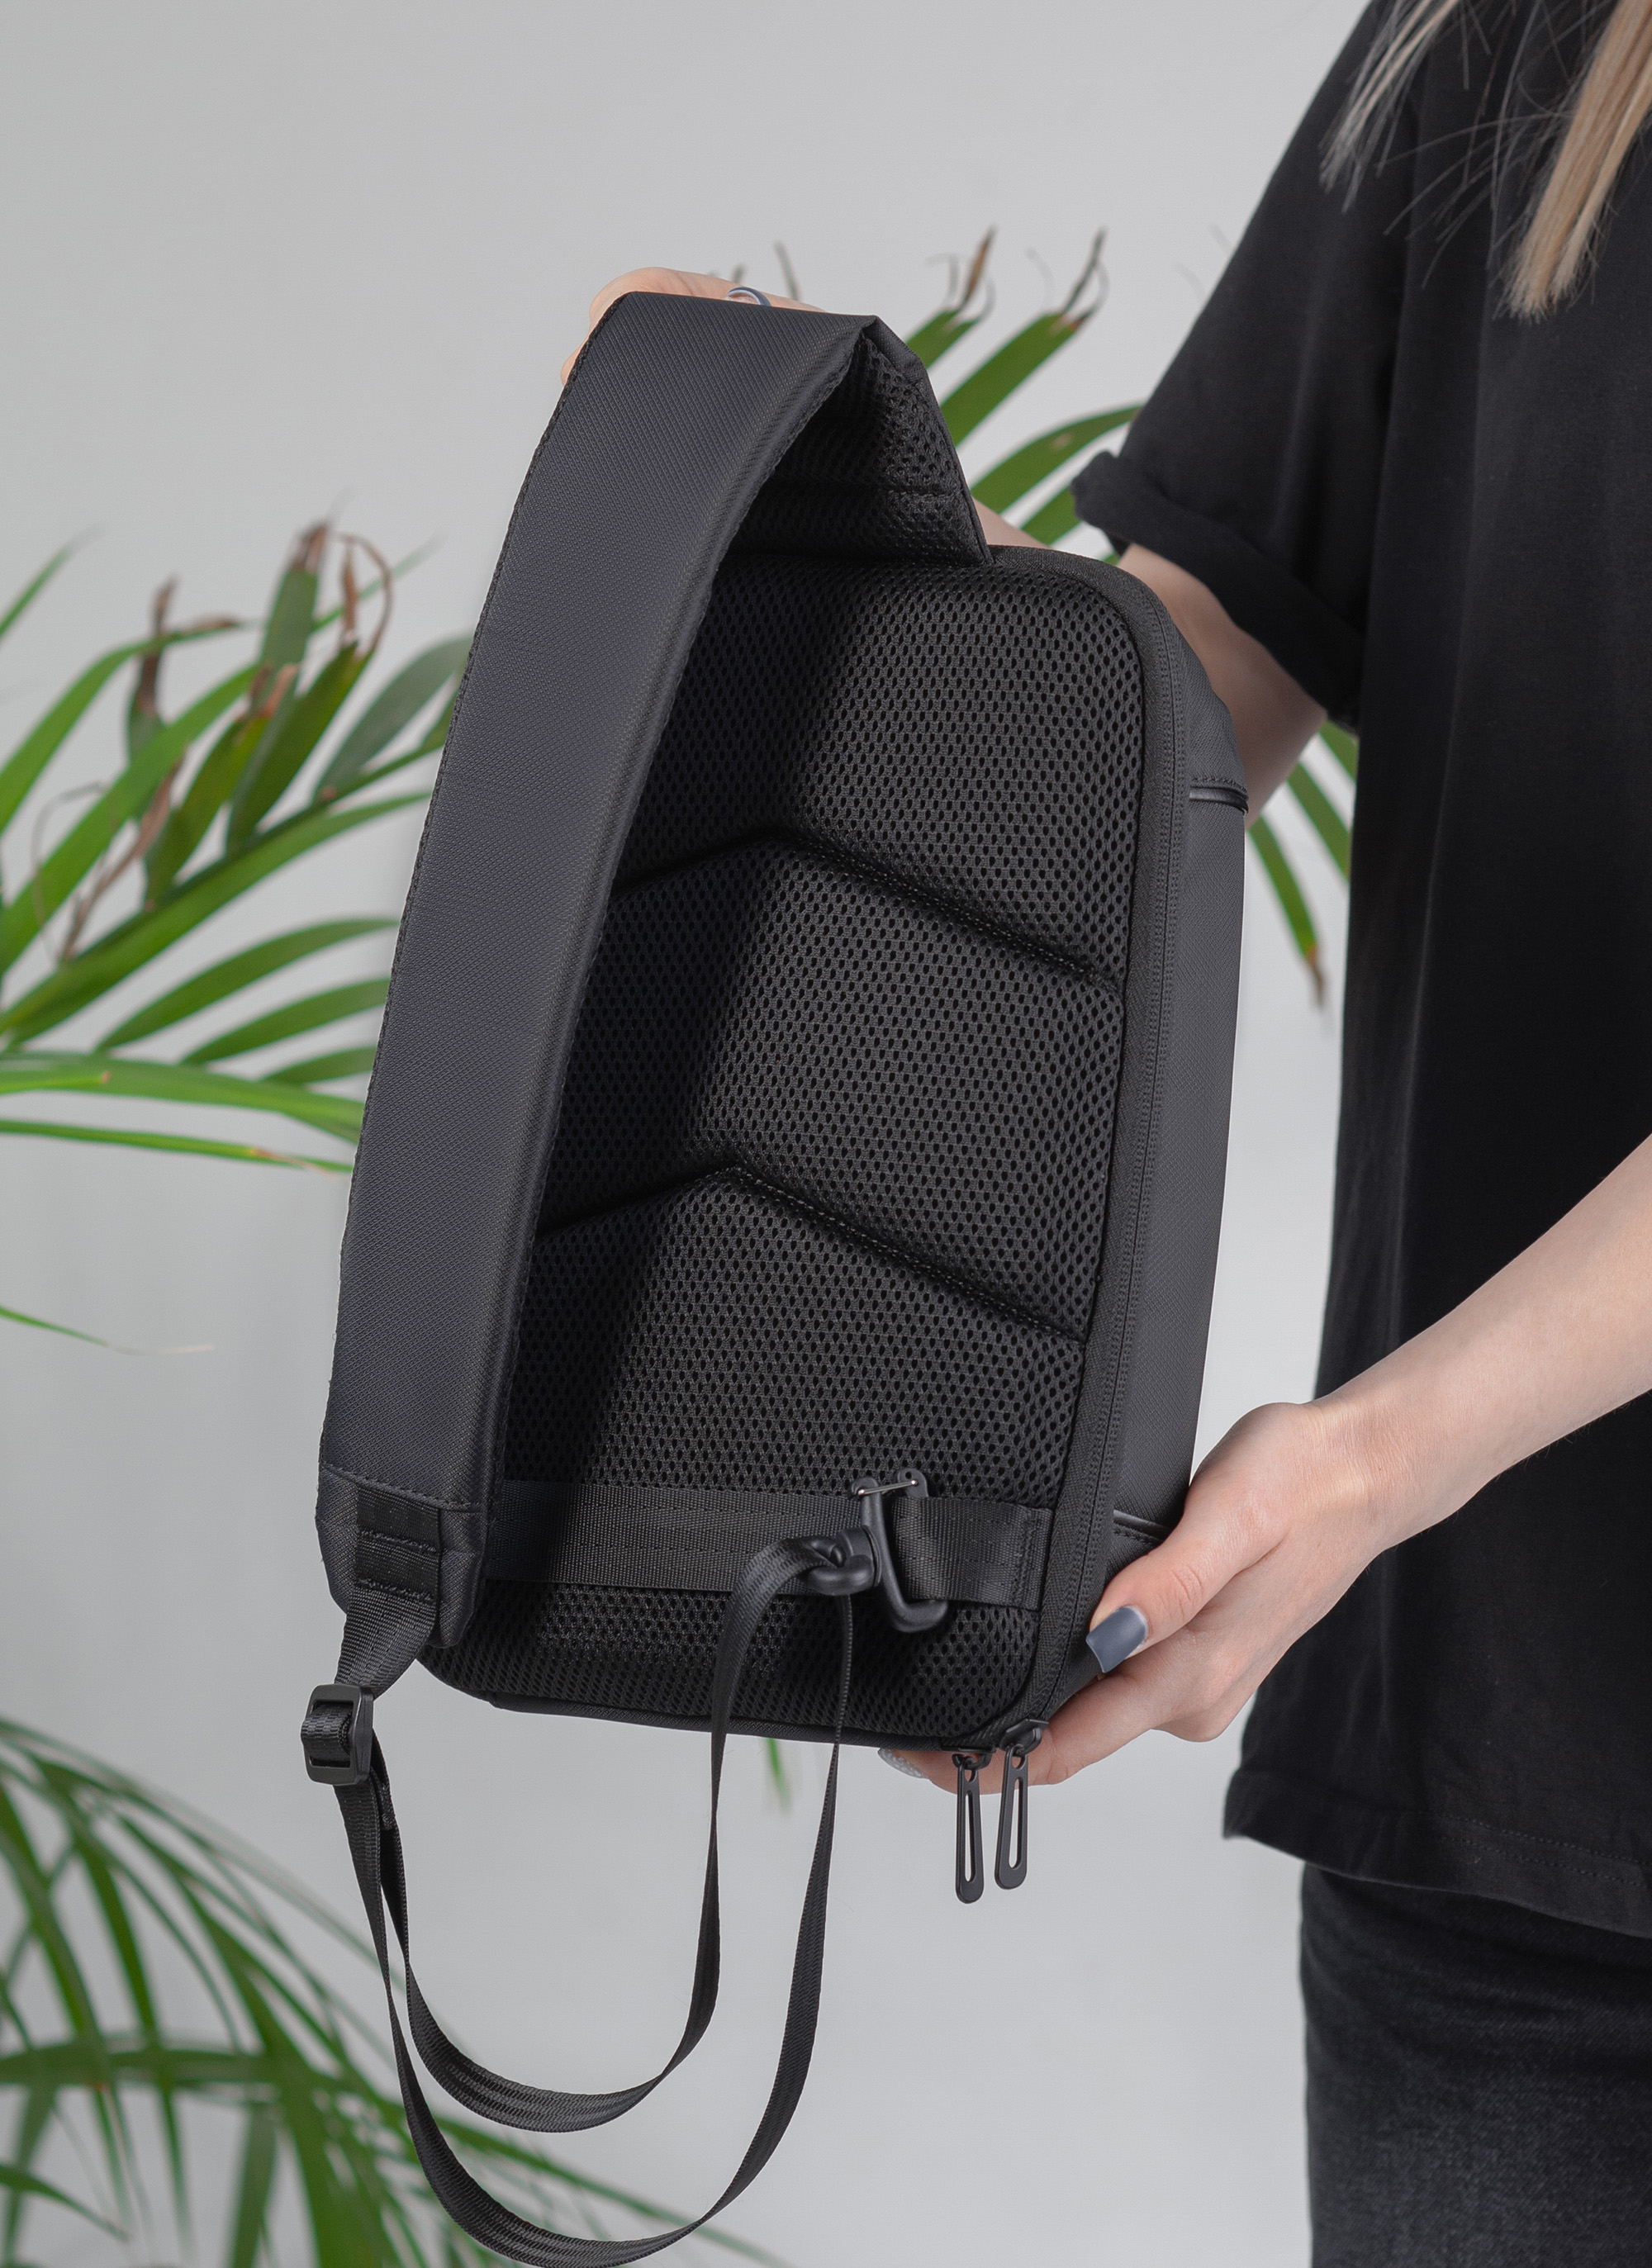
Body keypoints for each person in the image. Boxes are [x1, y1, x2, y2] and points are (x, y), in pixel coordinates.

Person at [563, 3, 1652, 2256]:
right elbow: (1182, 693)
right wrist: (826, 545)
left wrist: (1372, 1462)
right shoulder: (1512, 40)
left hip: (1435, 1594)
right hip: (1491, 1815)